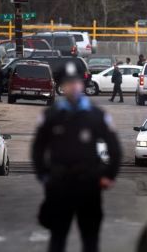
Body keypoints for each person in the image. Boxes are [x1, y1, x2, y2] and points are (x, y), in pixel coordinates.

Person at [32, 61, 122, 252]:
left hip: (89, 186)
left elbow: (114, 148)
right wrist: (44, 176)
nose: (73, 86)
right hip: (59, 186)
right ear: (62, 86)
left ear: (82, 84)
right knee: (57, 239)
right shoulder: (51, 115)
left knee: (90, 240)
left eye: (76, 82)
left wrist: (109, 176)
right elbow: (38, 148)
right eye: (68, 83)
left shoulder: (96, 115)